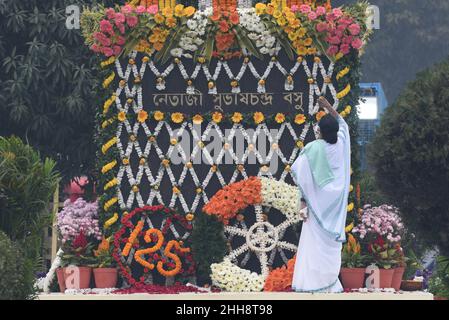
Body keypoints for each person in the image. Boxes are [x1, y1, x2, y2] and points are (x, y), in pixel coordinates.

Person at [291, 96, 351, 293]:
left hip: (317, 205)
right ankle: (331, 284)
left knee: (314, 243)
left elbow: (301, 174)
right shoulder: (342, 143)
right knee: (331, 246)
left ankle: (312, 283)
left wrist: (303, 202)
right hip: (335, 208)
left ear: (321, 132)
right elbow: (342, 123)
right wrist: (328, 107)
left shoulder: (314, 148)